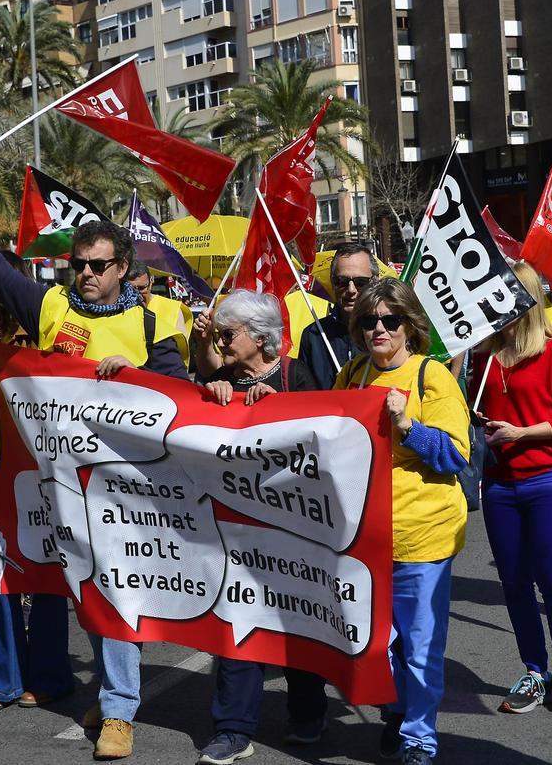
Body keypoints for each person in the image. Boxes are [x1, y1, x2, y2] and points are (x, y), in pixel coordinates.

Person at [0, 170, 187, 760]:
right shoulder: (49, 306)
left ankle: (120, 709)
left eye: (98, 265)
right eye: (80, 265)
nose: (87, 275)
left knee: (117, 590)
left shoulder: (151, 325)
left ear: (123, 267)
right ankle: (111, 687)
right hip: (63, 483)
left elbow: (182, 397)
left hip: (130, 488)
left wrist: (137, 375)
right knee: (89, 594)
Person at [332, 279, 469, 765]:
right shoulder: (350, 376)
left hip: (421, 535)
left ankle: (418, 740)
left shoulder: (431, 377)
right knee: (375, 644)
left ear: (409, 327)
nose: (378, 329)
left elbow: (454, 455)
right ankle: (398, 711)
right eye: (369, 321)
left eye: (390, 320)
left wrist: (407, 426)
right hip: (363, 540)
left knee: (421, 648)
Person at [193, 290, 326, 765]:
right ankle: (233, 728)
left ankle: (309, 713)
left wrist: (281, 411)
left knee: (297, 623)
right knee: (238, 623)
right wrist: (210, 398)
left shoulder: (298, 376)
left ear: (262, 338)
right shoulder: (220, 381)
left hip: (297, 529)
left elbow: (327, 441)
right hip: (237, 532)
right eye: (220, 333)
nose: (222, 341)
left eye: (228, 334)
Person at [469, 262, 552, 720]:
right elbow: (480, 412)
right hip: (502, 485)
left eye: (502, 293)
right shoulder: (484, 357)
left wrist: (522, 433)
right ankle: (534, 671)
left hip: (549, 479)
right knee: (514, 582)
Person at [0, 249, 77, 715]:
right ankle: (4, 677)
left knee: (46, 568)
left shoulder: (48, 320)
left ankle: (51, 675)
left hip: (42, 464)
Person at [298, 243, 379, 389]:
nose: (351, 290)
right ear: (332, 281)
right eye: (342, 282)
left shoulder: (388, 331)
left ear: (375, 282)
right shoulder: (313, 334)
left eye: (361, 282)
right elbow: (302, 396)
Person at [127, 260, 192, 369]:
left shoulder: (172, 309)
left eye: (142, 288)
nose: (136, 294)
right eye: (131, 289)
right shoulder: (118, 309)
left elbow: (181, 353)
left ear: (151, 284)